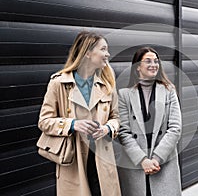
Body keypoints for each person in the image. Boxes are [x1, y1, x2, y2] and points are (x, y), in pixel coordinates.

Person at [38, 31, 121, 196]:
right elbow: (44, 121)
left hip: (102, 160)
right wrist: (73, 124)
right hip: (73, 161)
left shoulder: (107, 85)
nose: (108, 54)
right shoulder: (58, 83)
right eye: (103, 49)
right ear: (88, 53)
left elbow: (116, 118)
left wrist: (107, 129)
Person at [117, 47, 182, 196]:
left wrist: (156, 159)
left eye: (156, 61)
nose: (154, 64)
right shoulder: (124, 95)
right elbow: (124, 132)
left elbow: (175, 128)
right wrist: (143, 160)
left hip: (163, 165)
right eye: (148, 61)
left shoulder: (169, 91)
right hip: (135, 166)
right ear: (137, 67)